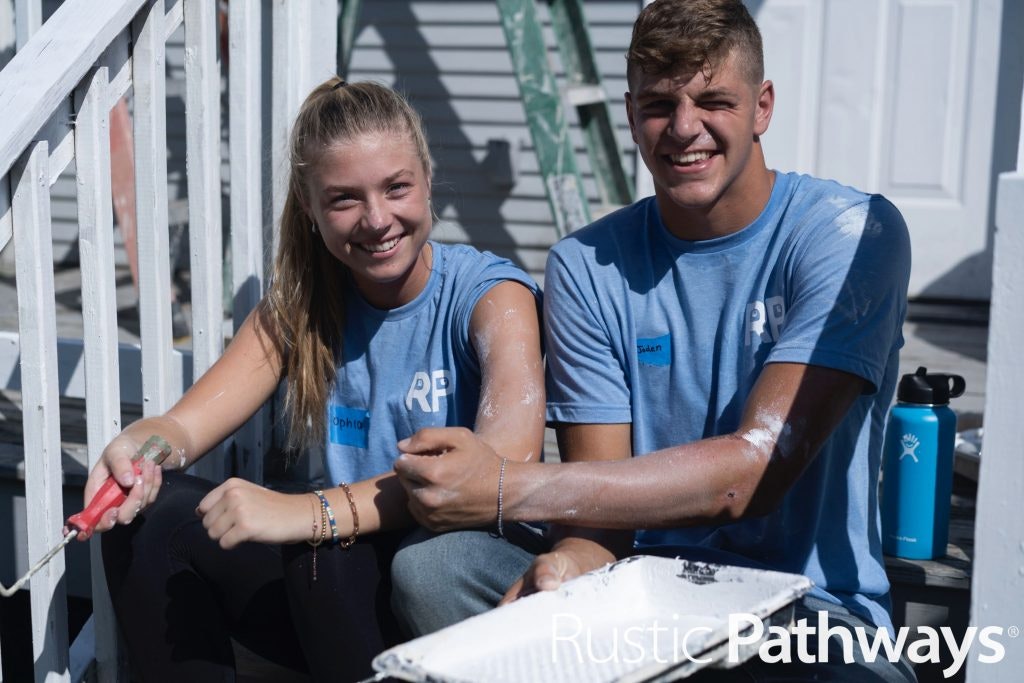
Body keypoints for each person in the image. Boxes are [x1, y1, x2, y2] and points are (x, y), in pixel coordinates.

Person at [390, 1, 915, 680]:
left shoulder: (850, 232)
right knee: (433, 568)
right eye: (661, 104)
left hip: (811, 620)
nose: (684, 128)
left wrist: (502, 487)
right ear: (632, 114)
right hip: (643, 608)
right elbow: (600, 520)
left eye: (714, 100)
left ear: (763, 107)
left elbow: (749, 475)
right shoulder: (587, 263)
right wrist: (566, 566)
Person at [78, 78, 545, 682]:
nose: (377, 220)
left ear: (428, 178)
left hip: (451, 591)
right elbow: (183, 426)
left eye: (396, 187)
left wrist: (311, 513)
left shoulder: (490, 295)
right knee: (154, 516)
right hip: (335, 592)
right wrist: (137, 453)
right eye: (345, 199)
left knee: (324, 556)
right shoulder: (300, 307)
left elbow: (505, 463)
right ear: (310, 208)